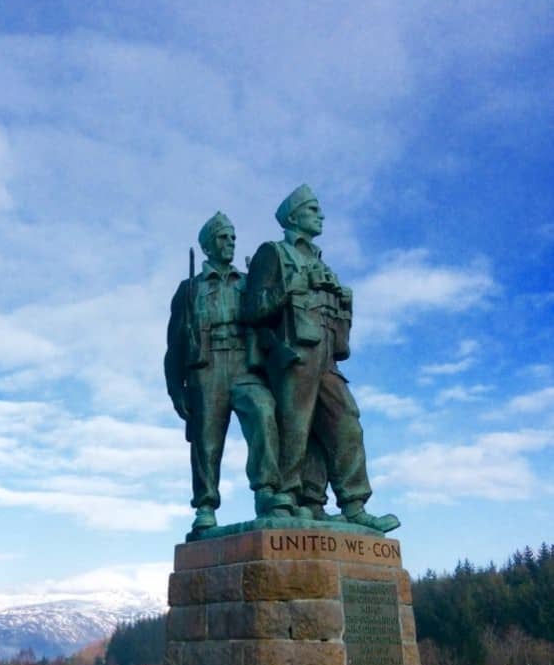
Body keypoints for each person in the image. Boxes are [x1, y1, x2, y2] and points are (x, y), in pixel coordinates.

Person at [245, 186, 399, 532]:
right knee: (295, 426)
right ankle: (286, 498)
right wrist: (293, 285)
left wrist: (345, 300)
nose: (321, 215)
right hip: (295, 352)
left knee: (345, 421)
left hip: (327, 356)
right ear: (293, 216)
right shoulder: (273, 253)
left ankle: (352, 504)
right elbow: (252, 308)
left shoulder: (321, 261)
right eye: (313, 209)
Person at [164, 212, 293, 535]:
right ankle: (205, 507)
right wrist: (175, 389)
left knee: (263, 412)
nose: (230, 243)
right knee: (207, 440)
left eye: (233, 237)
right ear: (208, 245)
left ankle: (266, 492)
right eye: (223, 238)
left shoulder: (248, 282)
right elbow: (175, 343)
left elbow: (269, 317)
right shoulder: (189, 289)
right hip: (205, 369)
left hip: (243, 364)